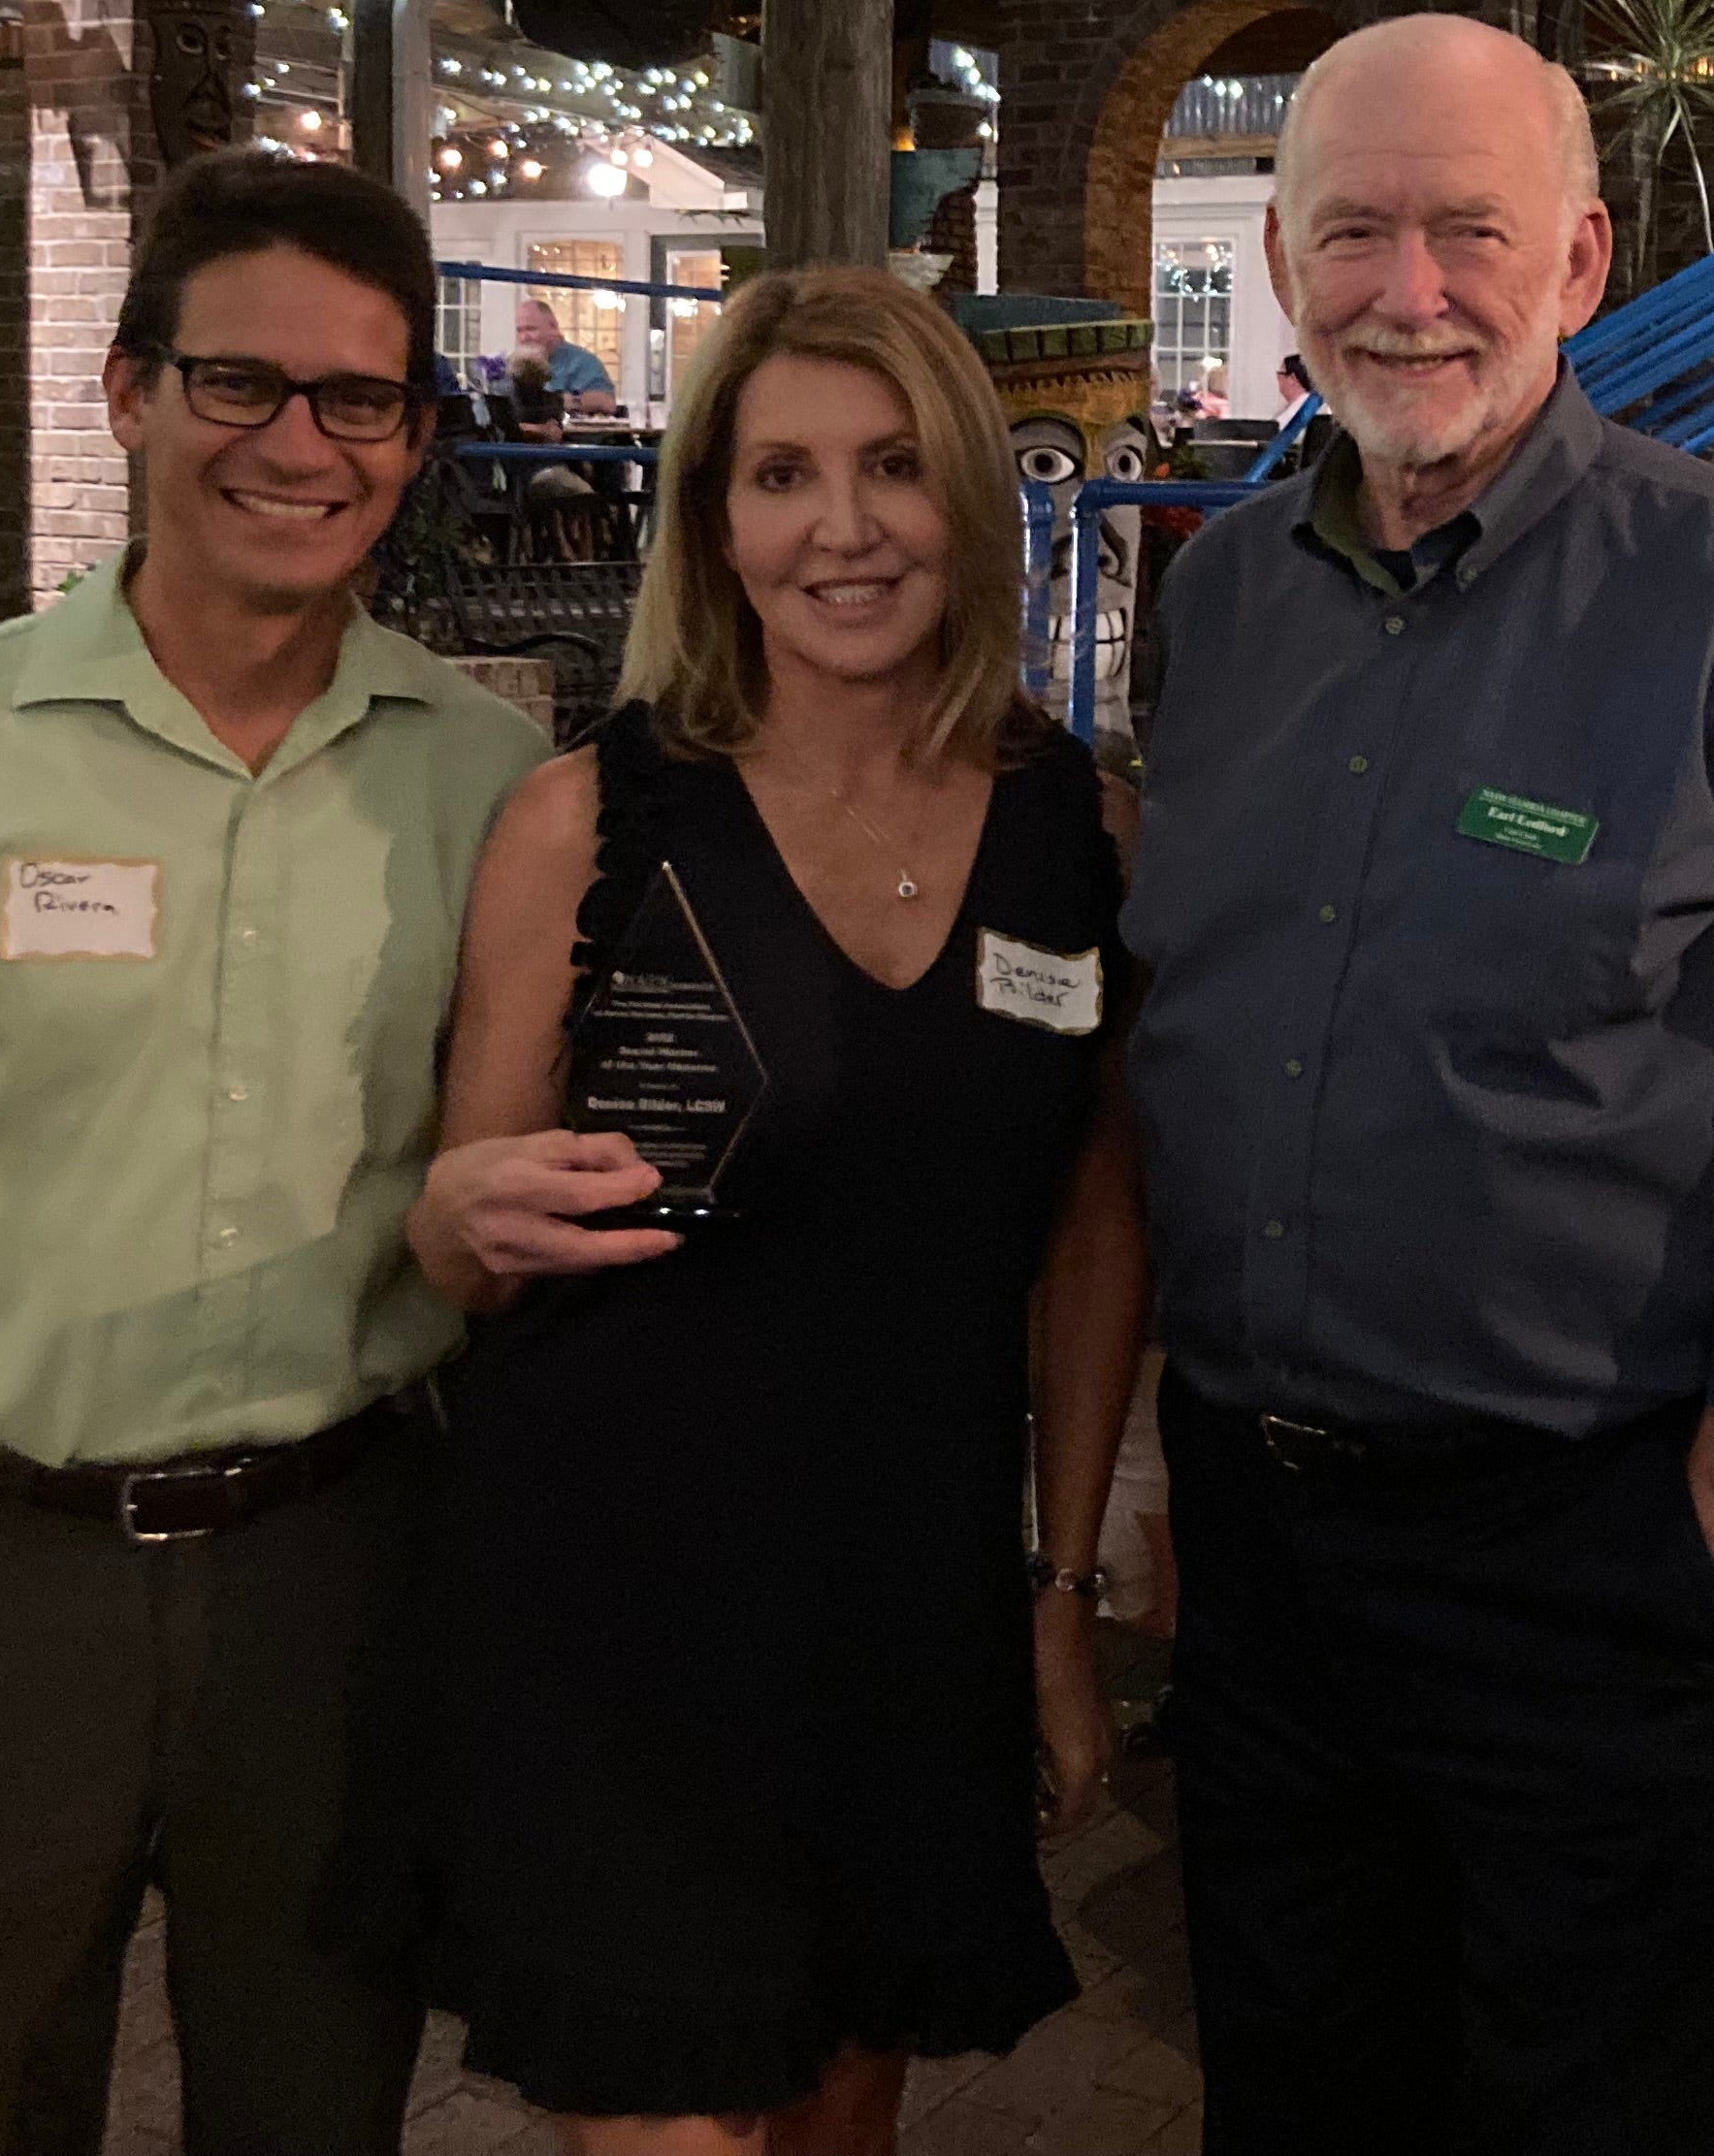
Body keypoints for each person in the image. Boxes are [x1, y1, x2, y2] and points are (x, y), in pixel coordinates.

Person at [0, 152, 550, 2156]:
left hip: (336, 1578)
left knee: (314, 2110)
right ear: (130, 390)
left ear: (415, 437)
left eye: (360, 398)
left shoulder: (488, 785)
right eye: (239, 382)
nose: (297, 445)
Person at [1122, 14, 1714, 2156]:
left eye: (1469, 233)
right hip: (1268, 1557)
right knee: (1297, 2105)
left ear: (1580, 264)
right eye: (1352, 233)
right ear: (1281, 264)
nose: (1408, 291)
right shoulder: (1216, 607)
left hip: (1598, 1553)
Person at [408, 264, 1148, 2156]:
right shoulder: (586, 823)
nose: (843, 528)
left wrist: (1061, 1593)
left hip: (910, 1593)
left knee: (843, 2110)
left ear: (965, 497)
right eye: (782, 475)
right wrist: (458, 1215)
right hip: (625, 1599)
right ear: (714, 522)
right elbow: (457, 1247)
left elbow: (1090, 1237)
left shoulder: (1077, 831)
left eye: (892, 467)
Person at [512, 292, 619, 405]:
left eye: (531, 329)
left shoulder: (583, 362)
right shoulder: (514, 366)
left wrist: (569, 401)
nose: (524, 337)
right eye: (519, 330)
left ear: (553, 327)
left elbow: (607, 403)